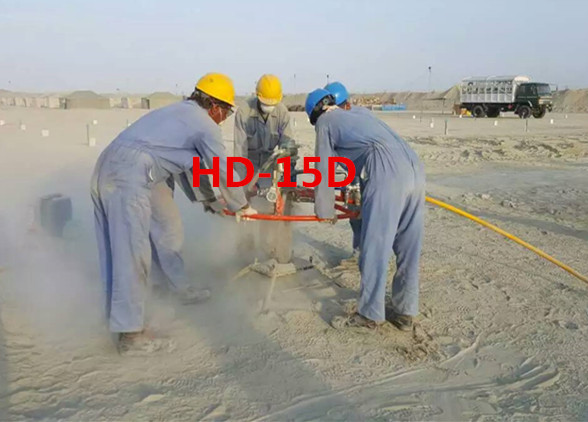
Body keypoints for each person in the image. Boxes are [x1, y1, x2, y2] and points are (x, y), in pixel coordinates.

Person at [91, 73, 257, 354]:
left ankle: (177, 287)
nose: (225, 118)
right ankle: (129, 334)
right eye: (226, 111)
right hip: (129, 173)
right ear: (214, 105)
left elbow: (192, 167)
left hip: (124, 167)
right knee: (131, 251)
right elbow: (220, 167)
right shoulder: (205, 125)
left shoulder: (179, 114)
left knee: (167, 225)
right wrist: (242, 206)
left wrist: (209, 200)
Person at [305, 88, 425, 331]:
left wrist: (325, 210)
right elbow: (357, 157)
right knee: (408, 245)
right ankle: (405, 310)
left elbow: (324, 168)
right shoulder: (360, 113)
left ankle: (370, 314)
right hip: (415, 168)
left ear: (315, 115)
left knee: (375, 244)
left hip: (387, 172)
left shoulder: (325, 123)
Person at [233, 74, 295, 260]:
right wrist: (245, 184)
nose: (269, 106)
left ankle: (268, 247)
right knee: (245, 202)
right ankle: (245, 245)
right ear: (257, 96)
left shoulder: (282, 113)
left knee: (269, 202)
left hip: (271, 161)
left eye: (272, 102)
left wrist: (285, 172)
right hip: (248, 161)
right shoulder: (244, 112)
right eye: (265, 102)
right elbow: (239, 150)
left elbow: (288, 144)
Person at [324, 82, 360, 260]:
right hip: (352, 175)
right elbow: (330, 162)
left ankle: (367, 256)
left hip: (367, 174)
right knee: (354, 214)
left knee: (367, 216)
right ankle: (358, 252)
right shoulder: (335, 126)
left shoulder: (355, 122)